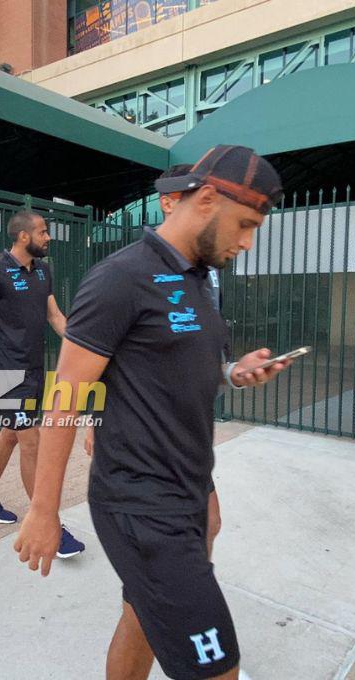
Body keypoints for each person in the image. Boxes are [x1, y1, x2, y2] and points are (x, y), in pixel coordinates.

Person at [16, 145, 289, 680]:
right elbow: (66, 396)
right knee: (217, 669)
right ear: (207, 199)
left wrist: (233, 373)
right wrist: (45, 510)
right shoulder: (120, 278)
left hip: (189, 491)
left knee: (142, 619)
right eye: (246, 225)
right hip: (140, 504)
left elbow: (175, 369)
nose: (247, 242)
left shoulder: (198, 280)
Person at [84, 164, 225, 558]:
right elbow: (86, 370)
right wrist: (97, 420)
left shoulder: (204, 273)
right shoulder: (126, 274)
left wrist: (232, 373)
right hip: (143, 459)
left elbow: (193, 354)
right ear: (167, 203)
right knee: (168, 572)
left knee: (210, 524)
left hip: (188, 444)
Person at [0, 211, 87, 557]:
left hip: (34, 371)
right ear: (22, 236)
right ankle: (48, 524)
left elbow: (55, 316)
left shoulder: (43, 271)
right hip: (8, 374)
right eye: (43, 232)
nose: (48, 237)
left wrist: (81, 345)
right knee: (31, 442)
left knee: (11, 434)